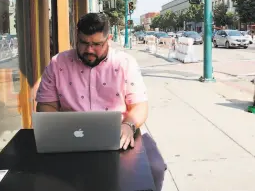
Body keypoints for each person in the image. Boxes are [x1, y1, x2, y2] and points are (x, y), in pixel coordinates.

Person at [36, 13, 166, 190]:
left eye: (97, 44)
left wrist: (129, 125)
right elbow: (45, 105)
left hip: (120, 136)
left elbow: (140, 105)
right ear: (76, 37)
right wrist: (62, 129)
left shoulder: (125, 63)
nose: (89, 50)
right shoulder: (57, 63)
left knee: (155, 169)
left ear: (109, 39)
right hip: (71, 140)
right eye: (83, 43)